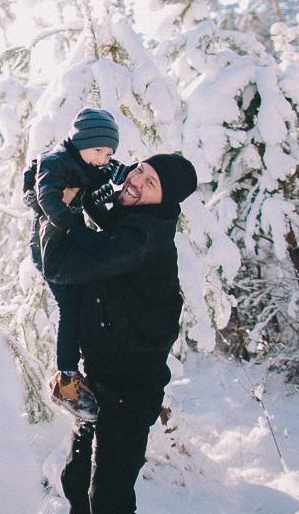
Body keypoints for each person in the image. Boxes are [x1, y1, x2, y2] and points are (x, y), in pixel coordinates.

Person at [41, 152, 198, 514]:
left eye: (150, 182)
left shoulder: (139, 239)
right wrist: (88, 183)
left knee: (108, 495)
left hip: (131, 389)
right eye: (140, 170)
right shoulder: (139, 220)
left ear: (164, 198)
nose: (136, 181)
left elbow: (60, 267)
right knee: (77, 480)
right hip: (101, 376)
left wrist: (56, 211)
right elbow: (107, 219)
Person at [23, 108, 127, 421]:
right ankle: (66, 382)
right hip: (51, 249)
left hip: (65, 245)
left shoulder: (82, 163)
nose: (104, 159)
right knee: (70, 308)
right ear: (82, 142)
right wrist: (76, 230)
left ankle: (81, 369)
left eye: (109, 154)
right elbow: (47, 200)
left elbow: (92, 192)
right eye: (100, 151)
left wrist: (119, 179)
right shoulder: (55, 161)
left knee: (84, 303)